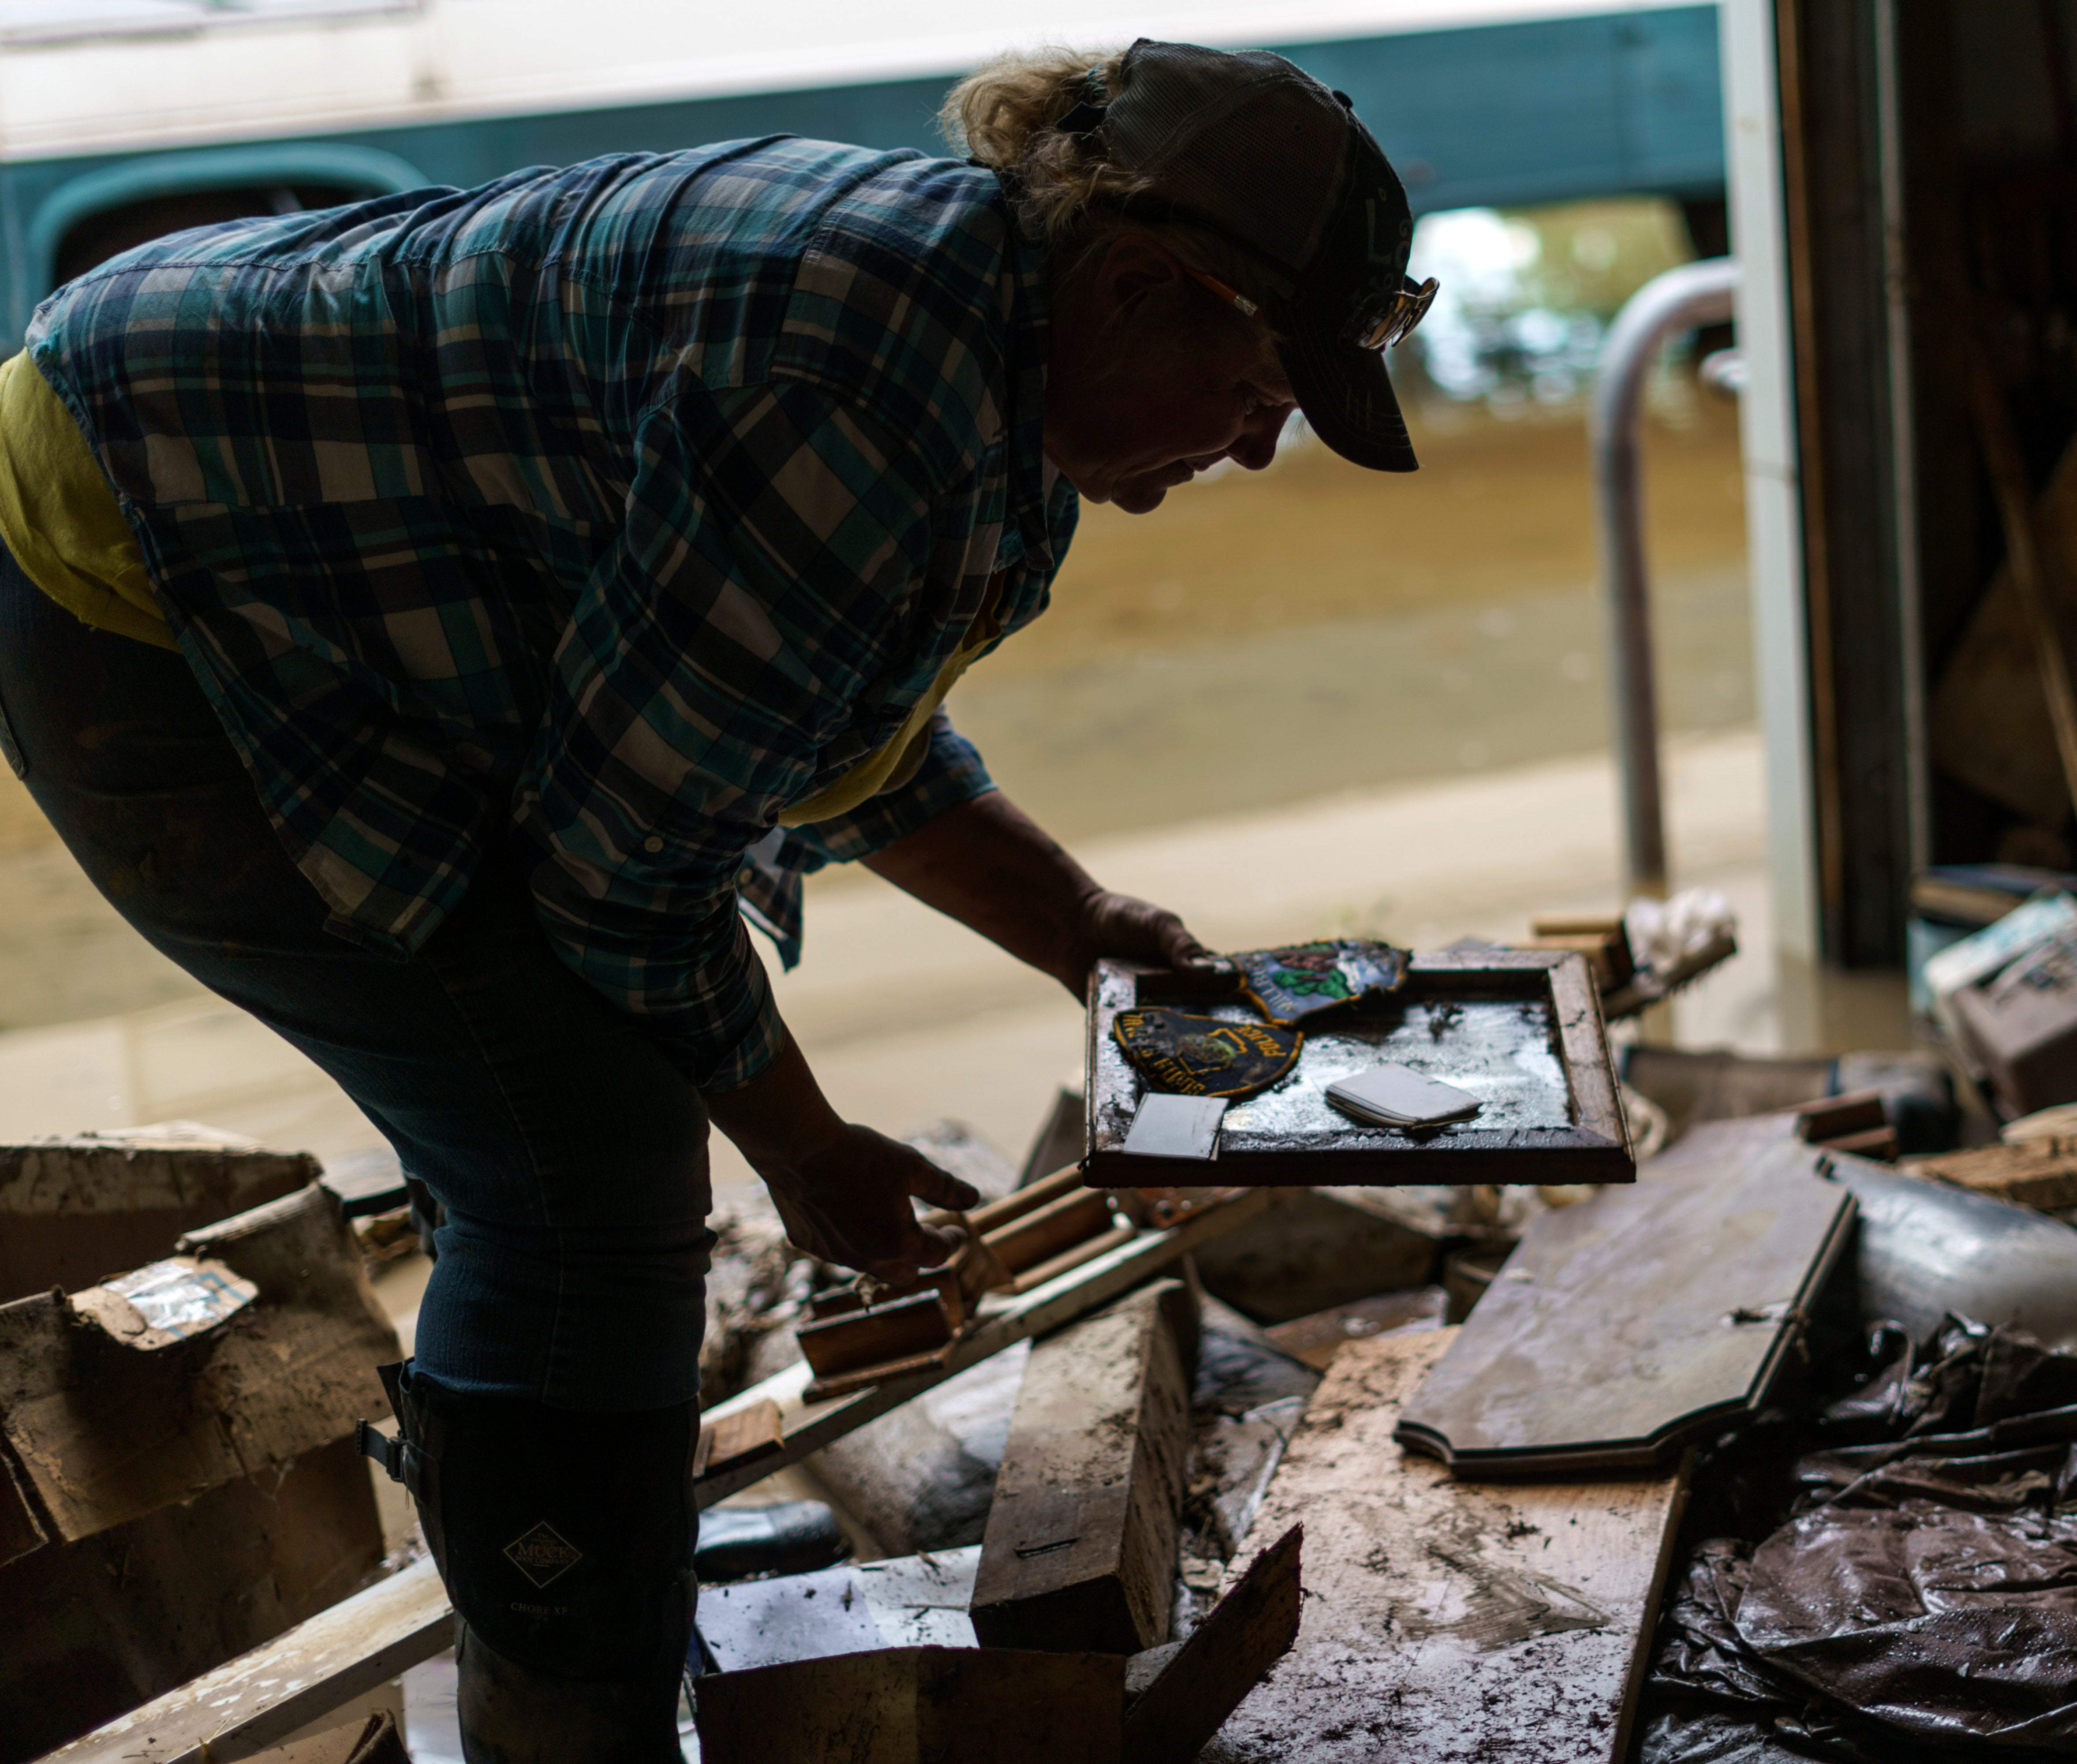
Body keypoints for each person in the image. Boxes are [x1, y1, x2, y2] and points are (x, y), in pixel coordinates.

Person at [0, 39, 1436, 1762]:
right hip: (143, 548)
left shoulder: (995, 354)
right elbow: (626, 877)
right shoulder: (856, 383)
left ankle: (557, 1510)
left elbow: (817, 722)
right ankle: (568, 1715)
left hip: (276, 488)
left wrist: (1088, 933)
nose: (1265, 447)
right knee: (582, 1164)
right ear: (1136, 281)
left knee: (555, 1124)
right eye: (1264, 387)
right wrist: (811, 1150)